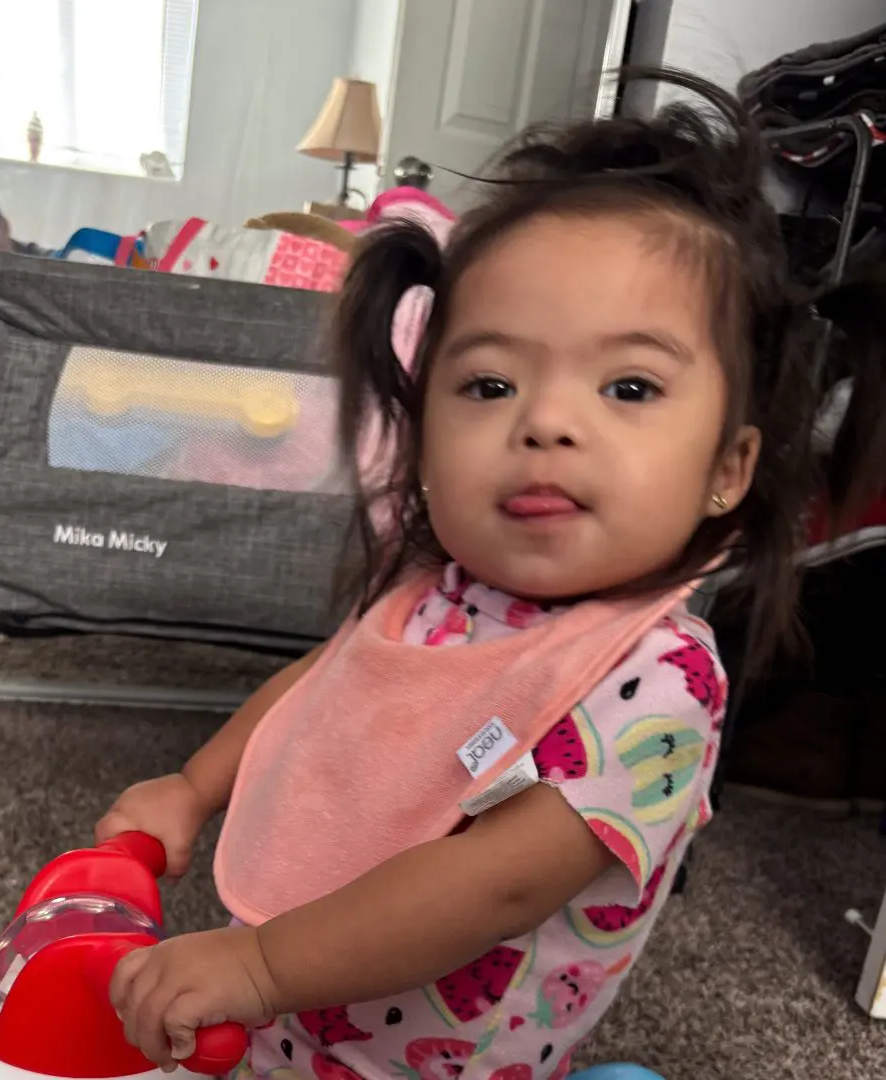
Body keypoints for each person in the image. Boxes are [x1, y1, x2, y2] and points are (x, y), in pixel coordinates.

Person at [92, 69, 886, 1080]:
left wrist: (256, 963)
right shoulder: (441, 586)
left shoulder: (657, 686)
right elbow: (328, 687)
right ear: (424, 446)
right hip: (291, 1014)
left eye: (630, 386)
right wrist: (193, 786)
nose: (544, 421)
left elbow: (490, 886)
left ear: (729, 468)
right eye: (490, 382)